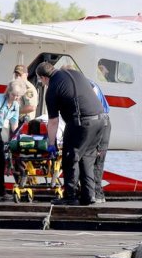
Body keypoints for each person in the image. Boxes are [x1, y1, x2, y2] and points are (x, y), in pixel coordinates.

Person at [36, 62, 107, 206]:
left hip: (81, 122)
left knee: (70, 158)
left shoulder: (52, 89)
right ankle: (88, 196)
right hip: (102, 121)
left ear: (43, 78)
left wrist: (51, 144)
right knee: (87, 158)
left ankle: (71, 196)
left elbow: (53, 121)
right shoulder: (76, 73)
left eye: (40, 80)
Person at [90, 80, 111, 203]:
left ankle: (96, 193)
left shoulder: (88, 86)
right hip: (103, 121)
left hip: (99, 122)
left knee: (96, 158)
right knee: (98, 160)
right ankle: (97, 193)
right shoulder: (90, 83)